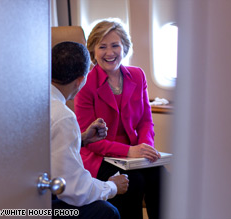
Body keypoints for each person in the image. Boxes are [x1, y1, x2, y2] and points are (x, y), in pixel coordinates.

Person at [74, 19, 167, 219]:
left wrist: (144, 149)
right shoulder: (85, 83)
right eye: (103, 47)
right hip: (99, 156)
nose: (110, 53)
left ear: (124, 47)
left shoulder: (138, 75)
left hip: (133, 154)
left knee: (162, 178)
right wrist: (130, 151)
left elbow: (145, 121)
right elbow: (89, 140)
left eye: (115, 45)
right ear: (93, 51)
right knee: (134, 182)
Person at [50, 41, 129, 219]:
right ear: (80, 81)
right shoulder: (63, 116)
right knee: (106, 211)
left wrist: (82, 139)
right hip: (31, 208)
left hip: (5, 197)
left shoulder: (34, 99)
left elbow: (44, 147)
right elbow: (75, 190)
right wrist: (112, 186)